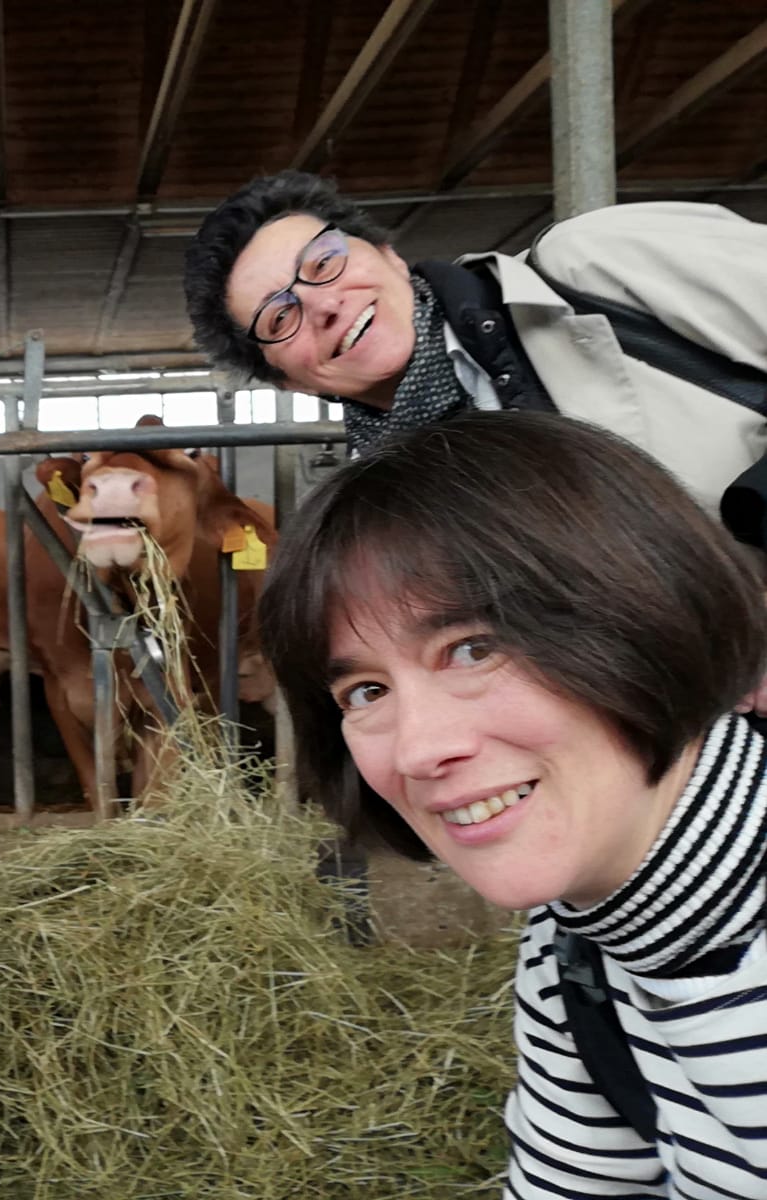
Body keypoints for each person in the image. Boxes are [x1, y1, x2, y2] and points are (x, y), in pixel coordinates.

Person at [257, 410, 767, 1198]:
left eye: (473, 648)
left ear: (646, 606)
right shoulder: (573, 951)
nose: (418, 750)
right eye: (364, 691)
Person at [182, 170, 767, 523]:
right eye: (280, 316)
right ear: (288, 381)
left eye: (324, 261)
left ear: (386, 254)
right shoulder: (392, 510)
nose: (323, 302)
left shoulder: (593, 263)